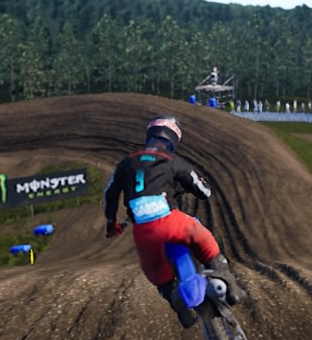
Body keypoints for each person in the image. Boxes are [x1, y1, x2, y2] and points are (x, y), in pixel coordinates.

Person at [103, 116, 244, 328]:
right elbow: (203, 191)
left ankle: (180, 309)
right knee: (204, 240)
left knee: (156, 271)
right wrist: (199, 186)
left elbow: (110, 194)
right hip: (171, 221)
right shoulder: (172, 160)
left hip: (144, 231)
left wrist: (111, 223)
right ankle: (231, 285)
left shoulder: (126, 163)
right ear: (172, 141)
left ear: (149, 137)